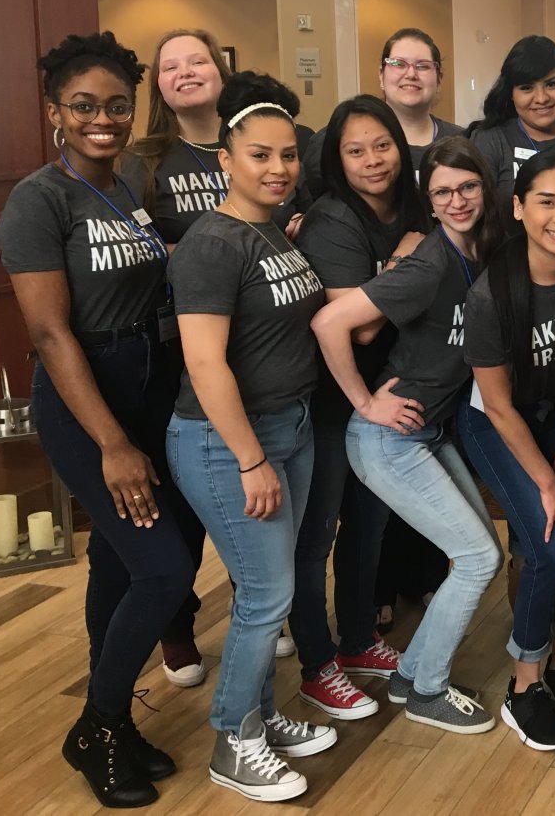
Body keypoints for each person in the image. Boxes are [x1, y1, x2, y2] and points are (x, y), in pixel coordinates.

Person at [0, 32, 194, 808]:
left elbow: (151, 269)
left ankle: (110, 720)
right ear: (55, 112)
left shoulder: (133, 178)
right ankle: (97, 724)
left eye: (117, 104)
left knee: (117, 563)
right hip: (88, 402)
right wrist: (113, 442)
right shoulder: (38, 200)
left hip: (150, 385)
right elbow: (50, 334)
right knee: (165, 568)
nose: (103, 118)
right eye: (84, 105)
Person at [166, 72, 332, 804]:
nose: (278, 168)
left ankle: (262, 714)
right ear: (224, 160)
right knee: (267, 593)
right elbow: (204, 361)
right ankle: (234, 739)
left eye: (288, 155)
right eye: (259, 155)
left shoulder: (265, 228)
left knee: (274, 584)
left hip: (287, 425)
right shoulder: (210, 241)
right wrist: (251, 457)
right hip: (226, 440)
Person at [311, 137, 505, 735]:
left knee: (479, 557)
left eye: (467, 187)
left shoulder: (481, 250)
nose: (457, 200)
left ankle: (408, 677)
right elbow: (329, 321)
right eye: (443, 191)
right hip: (388, 440)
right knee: (477, 557)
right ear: (430, 198)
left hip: (429, 432)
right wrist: (366, 402)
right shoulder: (429, 262)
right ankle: (428, 691)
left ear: (485, 188)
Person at [457, 152, 555, 750]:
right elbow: (496, 404)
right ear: (519, 208)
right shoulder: (493, 294)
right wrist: (547, 480)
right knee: (547, 545)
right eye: (546, 201)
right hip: (499, 422)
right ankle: (525, 687)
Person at [289, 97, 429, 721]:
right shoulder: (330, 220)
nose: (373, 160)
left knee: (369, 525)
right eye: (355, 150)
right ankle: (317, 665)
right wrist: (406, 258)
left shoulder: (413, 206)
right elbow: (360, 330)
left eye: (383, 145)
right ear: (335, 160)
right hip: (332, 396)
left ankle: (356, 642)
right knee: (316, 534)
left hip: (383, 395)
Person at [125, 29, 310, 246]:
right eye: (170, 67)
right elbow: (135, 250)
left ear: (222, 74)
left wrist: (308, 224)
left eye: (197, 62)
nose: (185, 73)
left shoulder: (277, 145)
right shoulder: (139, 160)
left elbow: (309, 212)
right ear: (159, 86)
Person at [303, 27, 463, 195]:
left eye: (422, 66)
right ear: (381, 76)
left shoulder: (462, 140)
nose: (411, 74)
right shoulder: (337, 138)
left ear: (439, 79)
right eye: (398, 64)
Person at [467, 35, 555, 216]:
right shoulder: (490, 140)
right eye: (526, 88)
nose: (541, 98)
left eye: (551, 84)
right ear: (510, 94)